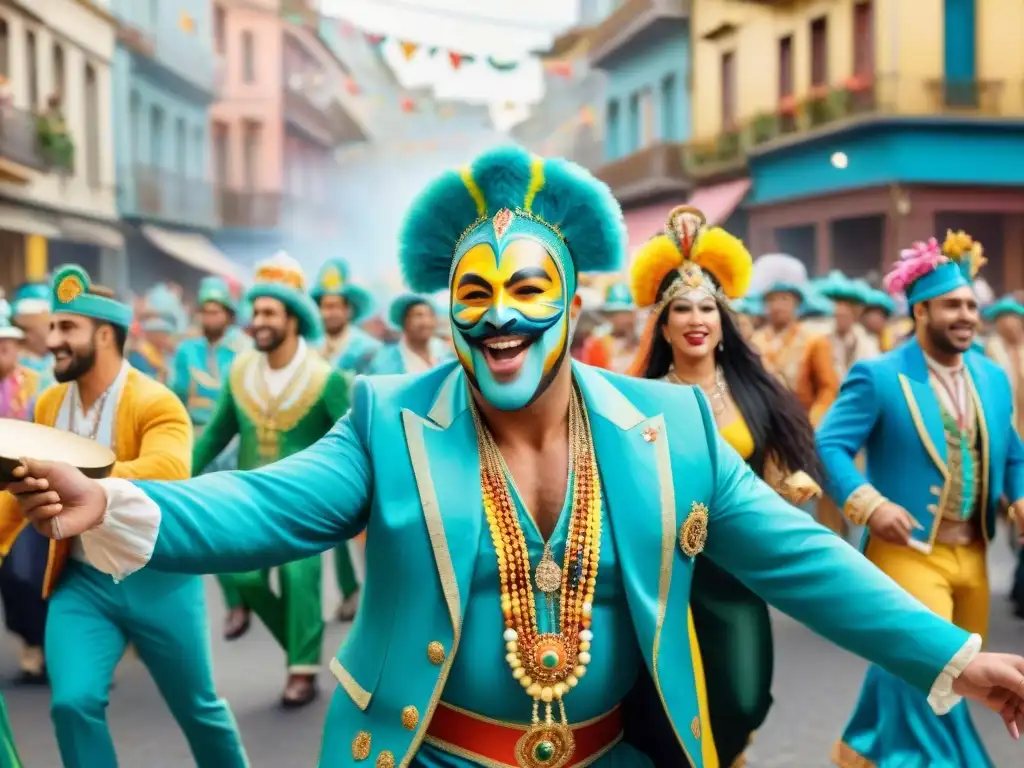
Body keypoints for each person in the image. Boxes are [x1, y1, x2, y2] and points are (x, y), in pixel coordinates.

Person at [7, 149, 1024, 768]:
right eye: (475, 292)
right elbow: (263, 504)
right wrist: (111, 504)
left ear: (573, 303)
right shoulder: (387, 418)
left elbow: (804, 563)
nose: (500, 315)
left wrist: (957, 659)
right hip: (429, 756)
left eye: (527, 290)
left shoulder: (670, 427)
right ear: (449, 311)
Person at [0, 265, 247, 768]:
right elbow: (19, 491)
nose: (52, 340)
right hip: (82, 583)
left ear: (105, 335)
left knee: (198, 709)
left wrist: (76, 475)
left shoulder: (156, 402)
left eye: (67, 328)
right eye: (52, 326)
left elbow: (169, 471)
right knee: (72, 704)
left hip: (160, 580)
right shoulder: (49, 402)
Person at [817, 231, 1024, 767]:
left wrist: (1019, 498)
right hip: (906, 550)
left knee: (934, 676)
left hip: (974, 553)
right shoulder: (879, 375)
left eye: (971, 305)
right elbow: (828, 446)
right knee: (934, 668)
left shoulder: (992, 377)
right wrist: (870, 504)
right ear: (921, 310)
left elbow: (1012, 454)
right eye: (952, 305)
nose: (967, 316)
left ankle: (864, 749)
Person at [627, 205, 822, 767]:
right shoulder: (639, 399)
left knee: (743, 695)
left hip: (736, 567)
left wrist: (790, 483)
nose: (696, 319)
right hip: (666, 569)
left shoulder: (755, 389)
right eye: (681, 308)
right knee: (666, 701)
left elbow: (776, 461)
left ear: (722, 319)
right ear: (664, 326)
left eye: (707, 307)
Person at [187, 252, 352, 708]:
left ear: (293, 318)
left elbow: (352, 442)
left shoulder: (325, 378)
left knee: (301, 578)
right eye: (255, 311)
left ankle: (301, 670)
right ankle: (303, 650)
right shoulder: (240, 371)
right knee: (243, 576)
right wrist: (173, 475)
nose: (257, 321)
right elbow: (216, 433)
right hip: (249, 501)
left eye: (268, 313)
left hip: (306, 504)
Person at [171, 276, 252, 640]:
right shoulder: (187, 351)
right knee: (210, 529)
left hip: (237, 444)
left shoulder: (245, 350)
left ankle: (250, 591)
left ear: (229, 315)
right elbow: (175, 396)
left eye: (216, 310)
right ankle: (235, 602)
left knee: (241, 527)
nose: (209, 317)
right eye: (205, 310)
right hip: (197, 444)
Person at [0, 296, 47, 684]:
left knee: (25, 573)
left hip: (23, 493)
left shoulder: (38, 384)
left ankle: (42, 644)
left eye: (7, 343)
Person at [749, 254, 820, 393]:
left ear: (797, 302)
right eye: (771, 300)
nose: (777, 306)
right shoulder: (755, 341)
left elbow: (827, 389)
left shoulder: (814, 341)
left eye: (784, 299)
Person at [312, 259, 381, 375]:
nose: (329, 313)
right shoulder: (310, 347)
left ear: (348, 310)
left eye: (334, 306)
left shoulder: (368, 349)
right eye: (325, 307)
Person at [366, 293, 450, 374]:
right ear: (404, 321)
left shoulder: (447, 351)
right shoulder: (385, 360)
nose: (426, 322)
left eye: (431, 316)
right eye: (418, 316)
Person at [579, 282, 639, 373]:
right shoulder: (598, 342)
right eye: (616, 313)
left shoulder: (642, 341)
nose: (623, 319)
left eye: (626, 313)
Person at [10, 282, 54, 389]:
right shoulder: (10, 368)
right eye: (48, 326)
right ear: (29, 333)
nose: (54, 333)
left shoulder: (57, 362)